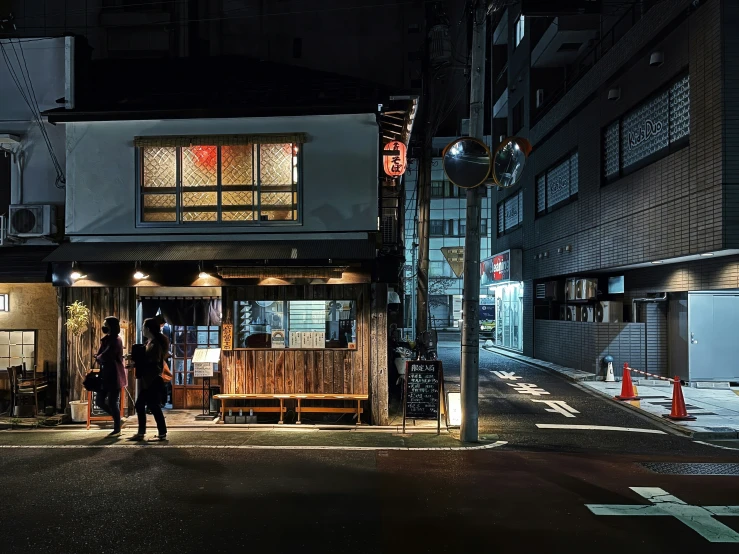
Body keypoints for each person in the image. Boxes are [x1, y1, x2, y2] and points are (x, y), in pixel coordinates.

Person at [131, 318, 168, 441]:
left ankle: (158, 433)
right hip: (149, 379)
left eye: (143, 326)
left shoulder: (155, 343)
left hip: (153, 379)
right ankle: (143, 433)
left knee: (151, 406)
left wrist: (136, 362)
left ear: (148, 329)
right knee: (144, 405)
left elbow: (152, 361)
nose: (142, 329)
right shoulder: (150, 342)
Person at [94, 316, 126, 438]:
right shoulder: (106, 339)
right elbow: (101, 355)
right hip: (105, 374)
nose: (103, 326)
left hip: (115, 374)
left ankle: (117, 427)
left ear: (111, 326)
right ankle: (118, 419)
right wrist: (99, 357)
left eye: (105, 324)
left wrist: (98, 357)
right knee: (100, 401)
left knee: (112, 402)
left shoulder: (116, 340)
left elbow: (107, 355)